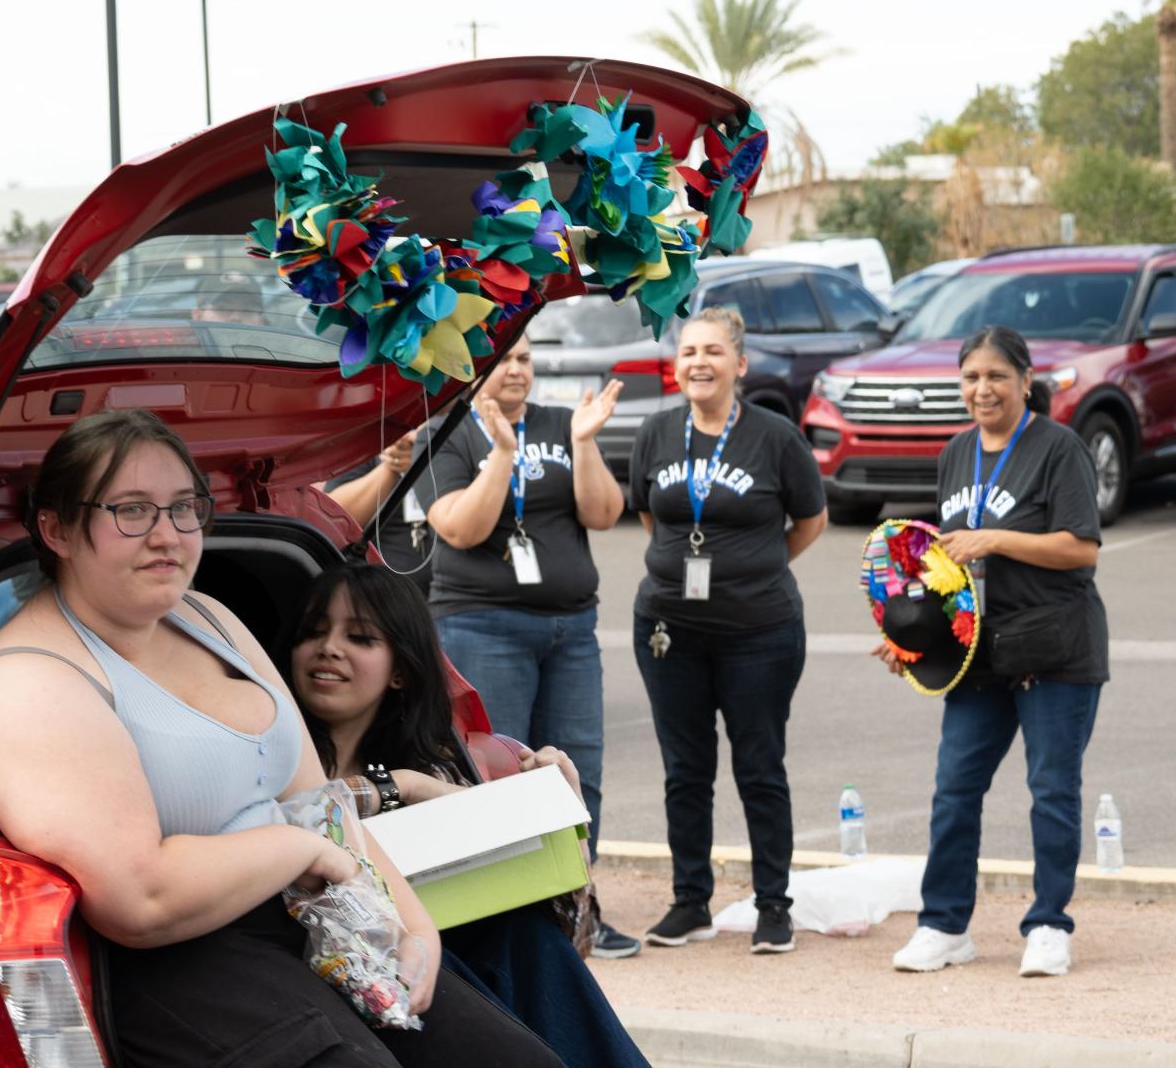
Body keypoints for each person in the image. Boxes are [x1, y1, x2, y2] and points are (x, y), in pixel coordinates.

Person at [0, 408, 674, 1068]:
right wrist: (300, 851)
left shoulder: (208, 619)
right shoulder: (30, 676)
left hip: (316, 917)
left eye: (184, 507)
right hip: (184, 971)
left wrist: (411, 924)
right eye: (130, 510)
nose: (167, 534)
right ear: (57, 528)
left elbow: (315, 797)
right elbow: (139, 898)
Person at [285, 561, 760, 1068]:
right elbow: (313, 809)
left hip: (422, 968)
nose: (328, 648)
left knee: (521, 939)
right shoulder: (276, 749)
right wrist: (403, 788)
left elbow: (577, 933)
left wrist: (549, 810)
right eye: (312, 632)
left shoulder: (445, 760)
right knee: (458, 973)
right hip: (325, 975)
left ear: (398, 670)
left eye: (358, 636)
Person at [887, 326, 1108, 978]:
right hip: (974, 654)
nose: (981, 389)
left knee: (1050, 791)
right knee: (953, 792)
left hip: (1053, 652)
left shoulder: (1057, 448)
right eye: (970, 377)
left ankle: (1047, 925)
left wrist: (995, 540)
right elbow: (944, 564)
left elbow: (1080, 548)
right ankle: (944, 924)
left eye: (995, 377)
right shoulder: (956, 452)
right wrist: (907, 635)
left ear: (1024, 380)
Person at [422, 332, 641, 957]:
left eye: (523, 359)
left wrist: (583, 441)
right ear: (474, 366)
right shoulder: (451, 432)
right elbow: (462, 528)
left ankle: (579, 909)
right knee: (497, 772)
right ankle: (510, 921)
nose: (515, 370)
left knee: (578, 770)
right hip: (483, 625)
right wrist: (502, 455)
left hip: (569, 629)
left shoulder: (562, 422)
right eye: (502, 360)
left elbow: (603, 514)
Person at [627, 307, 827, 956]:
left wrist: (752, 573)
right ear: (674, 364)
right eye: (688, 352)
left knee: (759, 767)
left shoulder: (775, 438)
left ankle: (773, 904)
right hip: (667, 630)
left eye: (713, 352)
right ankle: (690, 902)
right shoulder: (656, 432)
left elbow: (809, 521)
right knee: (685, 770)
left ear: (739, 364)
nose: (698, 363)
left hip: (758, 632)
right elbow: (648, 517)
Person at [324, 424, 438, 594]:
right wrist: (392, 465)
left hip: (467, 595)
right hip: (387, 596)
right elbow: (333, 517)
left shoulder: (470, 424)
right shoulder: (376, 428)